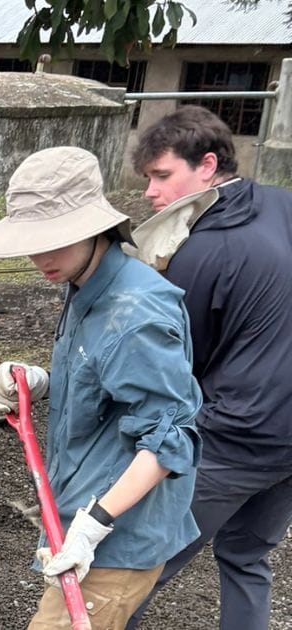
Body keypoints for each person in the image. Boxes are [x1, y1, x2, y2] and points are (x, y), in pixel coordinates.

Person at [0, 147, 202, 630]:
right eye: (33, 242)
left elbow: (171, 438)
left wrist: (92, 526)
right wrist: (42, 382)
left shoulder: (135, 313)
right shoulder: (86, 281)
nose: (41, 257)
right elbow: (109, 383)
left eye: (55, 240)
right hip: (79, 509)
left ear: (95, 227)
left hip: (112, 536)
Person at [124, 106, 292, 630]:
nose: (150, 192)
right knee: (245, 558)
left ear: (207, 165)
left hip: (238, 436)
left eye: (161, 175)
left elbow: (179, 365)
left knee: (136, 566)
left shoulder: (202, 251)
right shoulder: (282, 204)